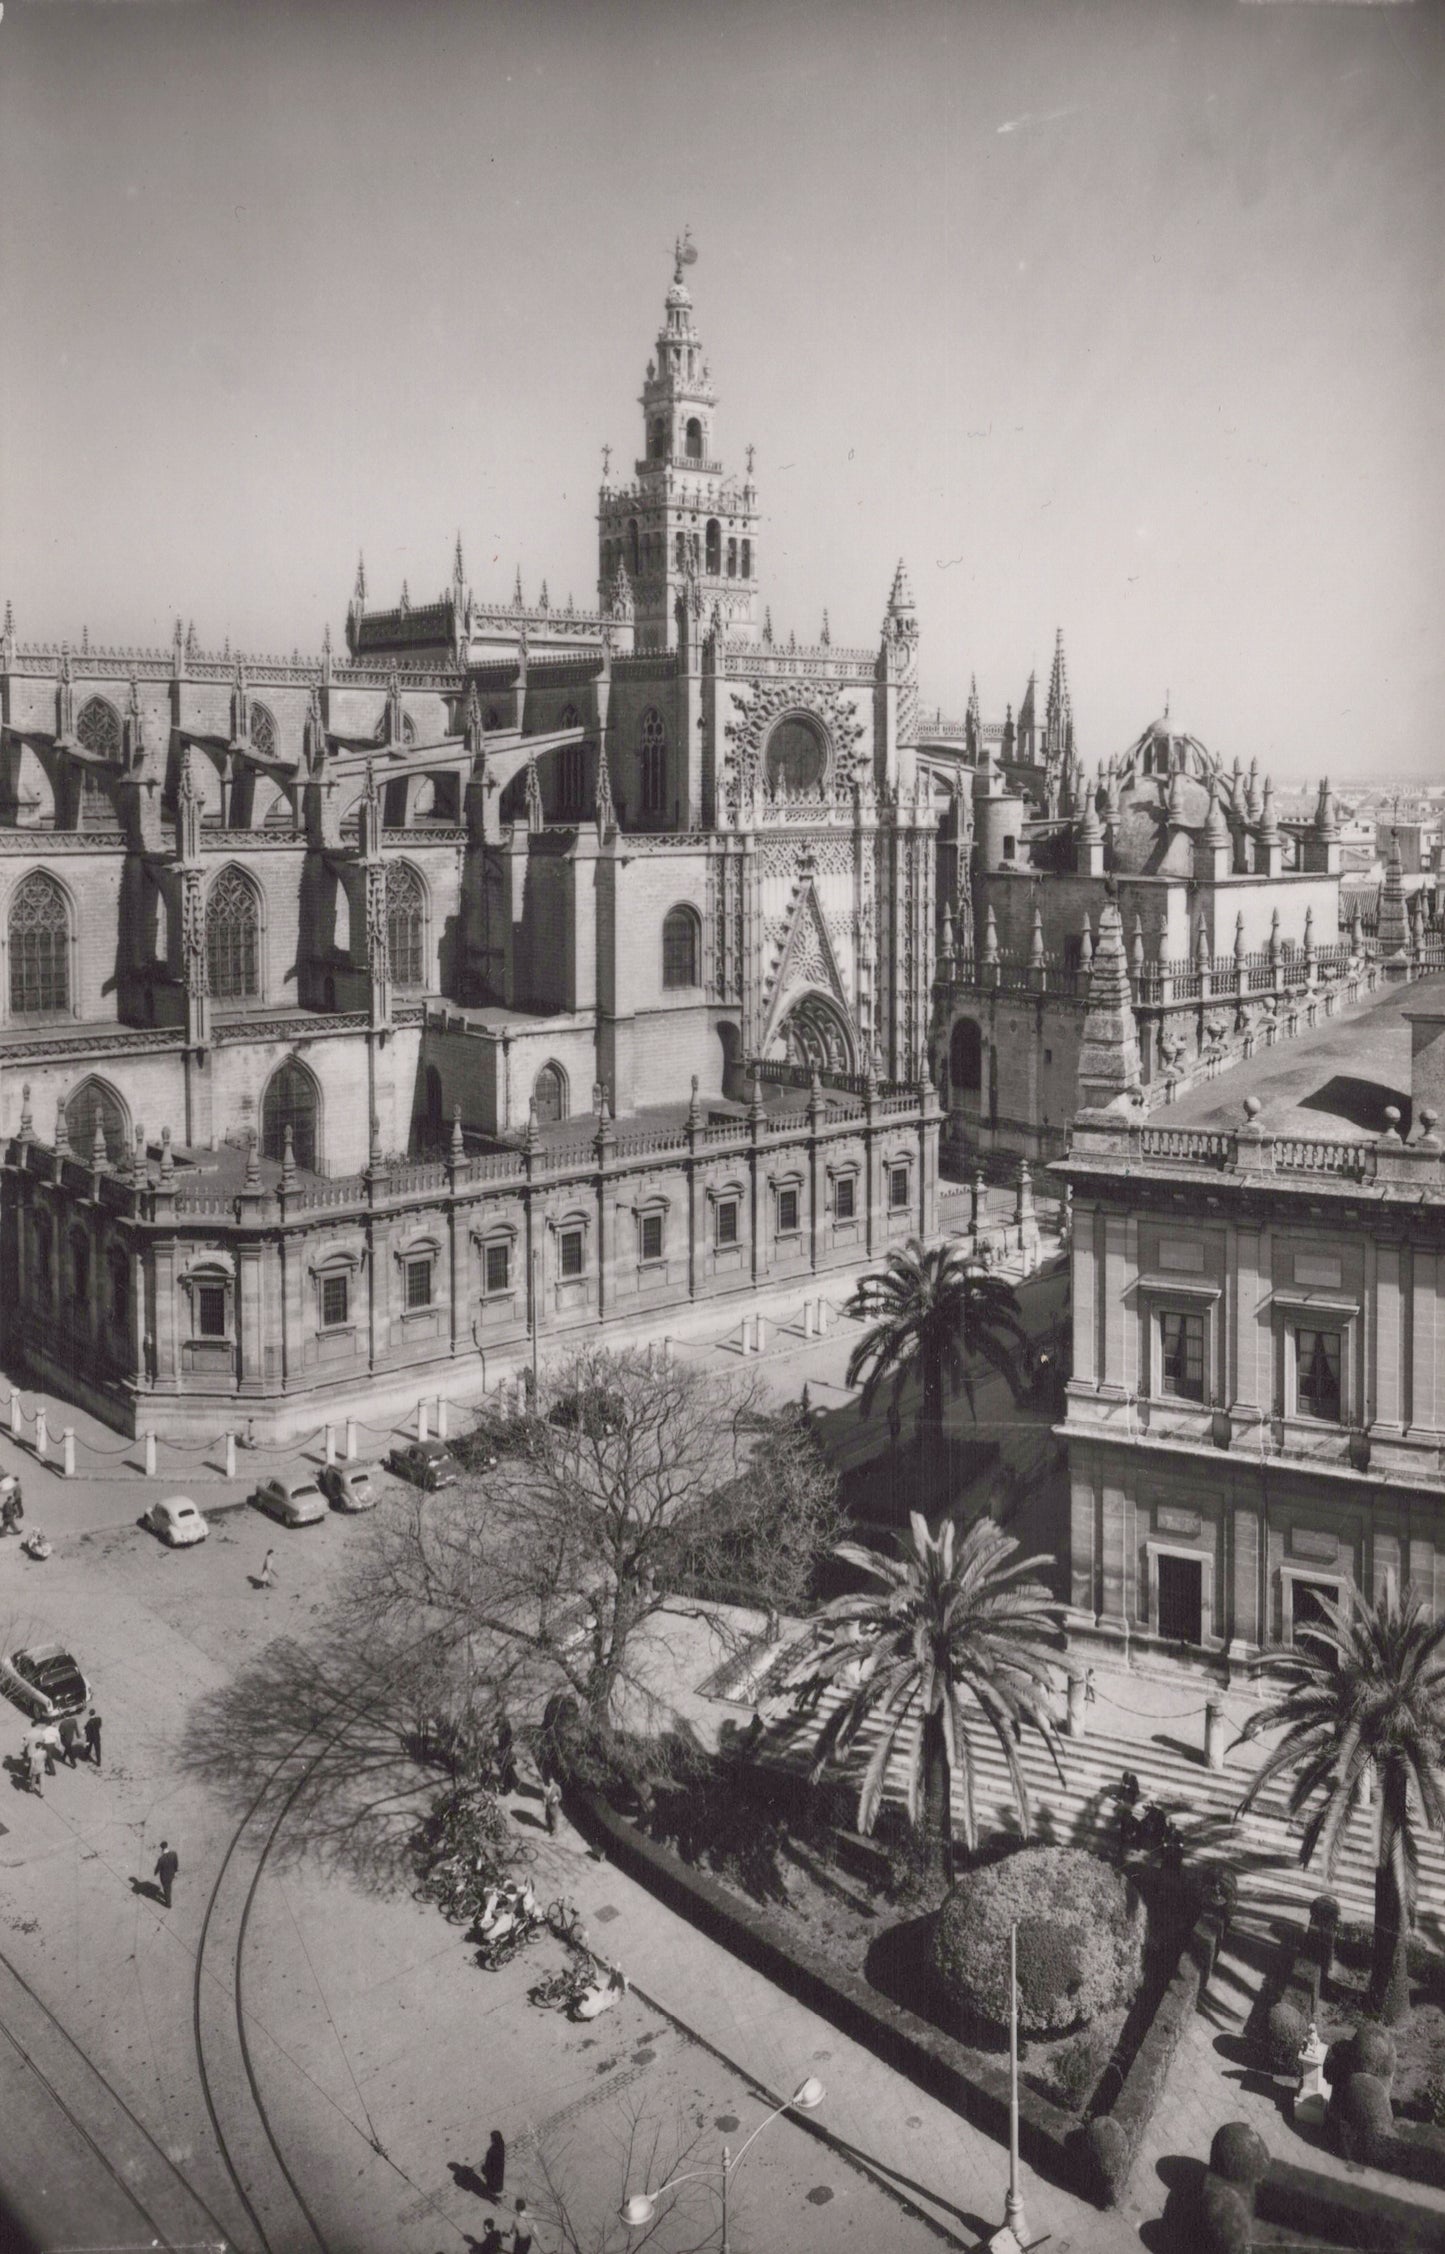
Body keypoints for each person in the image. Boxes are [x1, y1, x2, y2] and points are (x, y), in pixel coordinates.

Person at [481, 2128, 506, 2200]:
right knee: (497, 2183)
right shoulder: (501, 2144)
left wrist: (485, 2170)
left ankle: (494, 2197)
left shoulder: (493, 2151)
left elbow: (489, 2164)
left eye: (492, 2138)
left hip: (492, 2172)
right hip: (498, 2170)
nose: (491, 2139)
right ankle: (495, 2194)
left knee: (492, 2185)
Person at [154, 1840, 179, 1908]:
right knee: (169, 1887)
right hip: (171, 1874)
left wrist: (155, 1873)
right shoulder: (174, 1854)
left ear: (162, 1848)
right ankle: (167, 1897)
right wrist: (175, 1870)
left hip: (164, 1877)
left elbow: (157, 1869)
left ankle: (168, 1904)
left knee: (166, 1889)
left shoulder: (161, 1859)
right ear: (167, 1846)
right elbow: (176, 1864)